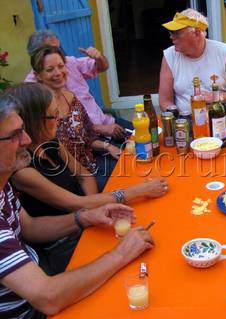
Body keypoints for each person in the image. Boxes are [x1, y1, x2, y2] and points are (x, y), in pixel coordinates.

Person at [0, 92, 155, 318]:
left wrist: (83, 217)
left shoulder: (3, 184)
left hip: (40, 271)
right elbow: (48, 297)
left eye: (23, 129)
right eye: (14, 135)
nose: (25, 139)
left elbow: (30, 227)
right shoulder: (20, 172)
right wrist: (121, 254)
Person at [8, 83, 168, 275]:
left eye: (58, 112)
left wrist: (94, 209)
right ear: (32, 121)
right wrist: (137, 191)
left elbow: (84, 176)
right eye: (53, 115)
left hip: (86, 221)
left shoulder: (51, 141)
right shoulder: (22, 169)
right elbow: (74, 203)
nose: (60, 119)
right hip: (62, 241)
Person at [30, 44, 120, 191]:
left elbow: (88, 135)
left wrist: (108, 146)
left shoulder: (70, 97)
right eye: (50, 70)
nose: (58, 73)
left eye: (61, 66)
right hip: (73, 180)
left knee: (135, 163)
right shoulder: (41, 110)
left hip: (93, 163)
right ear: (38, 75)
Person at [25, 29, 129, 140]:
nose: (58, 73)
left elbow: (102, 67)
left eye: (58, 48)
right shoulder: (31, 89)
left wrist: (99, 57)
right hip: (84, 140)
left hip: (105, 122)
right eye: (50, 50)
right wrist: (101, 133)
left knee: (145, 137)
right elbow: (59, 131)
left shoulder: (69, 62)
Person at [159, 8, 226, 113]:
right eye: (171, 33)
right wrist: (180, 120)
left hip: (219, 119)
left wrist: (217, 97)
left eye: (177, 33)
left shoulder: (222, 51)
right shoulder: (169, 55)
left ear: (197, 33)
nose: (172, 37)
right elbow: (165, 101)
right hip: (184, 123)